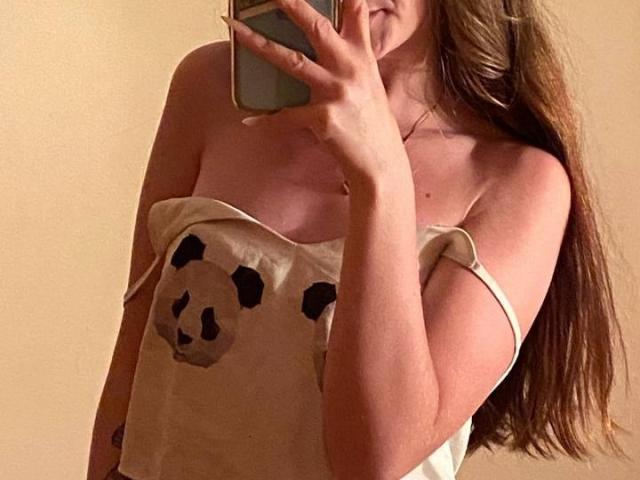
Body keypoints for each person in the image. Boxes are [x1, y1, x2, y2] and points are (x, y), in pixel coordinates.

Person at [88, 0, 630, 479]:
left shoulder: (518, 182)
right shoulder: (208, 91)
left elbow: (373, 460)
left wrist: (382, 178)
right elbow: (135, 353)